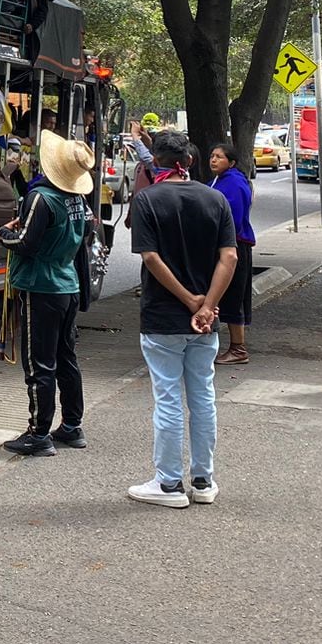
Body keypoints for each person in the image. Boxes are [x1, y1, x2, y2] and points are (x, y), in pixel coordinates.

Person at [126, 129, 238, 508]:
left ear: (155, 161)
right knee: (203, 396)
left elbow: (151, 258)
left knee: (169, 399)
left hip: (162, 316)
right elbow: (230, 258)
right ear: (189, 161)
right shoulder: (216, 199)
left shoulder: (147, 200)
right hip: (206, 321)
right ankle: (204, 480)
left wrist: (189, 300)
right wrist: (207, 306)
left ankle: (169, 484)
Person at [1, 133, 94, 457]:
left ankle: (39, 433)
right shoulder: (77, 200)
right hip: (67, 283)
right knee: (66, 358)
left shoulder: (41, 197)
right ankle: (71, 425)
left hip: (40, 286)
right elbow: (88, 231)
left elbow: (24, 243)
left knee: (39, 363)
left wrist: (4, 234)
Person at [207, 143, 255, 364]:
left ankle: (238, 348)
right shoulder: (219, 180)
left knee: (234, 295)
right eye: (212, 156)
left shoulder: (234, 183)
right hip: (224, 244)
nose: (213, 160)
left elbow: (232, 219)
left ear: (232, 162)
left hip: (233, 245)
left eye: (219, 157)